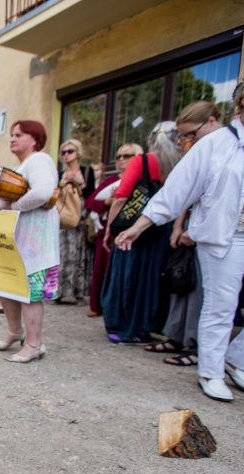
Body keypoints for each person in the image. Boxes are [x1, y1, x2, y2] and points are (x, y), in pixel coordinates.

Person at [116, 64, 244, 402]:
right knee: (220, 304)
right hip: (227, 235)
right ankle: (211, 372)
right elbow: (177, 191)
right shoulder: (214, 144)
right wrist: (137, 226)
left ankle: (239, 358)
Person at [147, 101, 223, 367]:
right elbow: (186, 195)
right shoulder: (199, 151)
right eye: (185, 135)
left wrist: (195, 230)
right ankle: (176, 335)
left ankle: (196, 344)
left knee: (202, 293)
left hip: (213, 232)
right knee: (180, 282)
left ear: (213, 121)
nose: (188, 140)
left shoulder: (228, 149)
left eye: (192, 133)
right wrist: (180, 227)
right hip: (191, 226)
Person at [0, 120, 59, 363]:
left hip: (35, 243)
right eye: (11, 134)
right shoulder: (23, 165)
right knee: (8, 286)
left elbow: (43, 192)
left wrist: (13, 205)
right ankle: (15, 331)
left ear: (34, 139)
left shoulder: (39, 160)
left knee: (29, 293)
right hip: (18, 240)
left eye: (19, 135)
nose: (12, 139)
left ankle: (34, 344)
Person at [102, 121, 181, 344]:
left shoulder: (143, 161)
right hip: (160, 229)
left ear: (150, 141)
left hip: (132, 228)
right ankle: (145, 325)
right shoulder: (179, 164)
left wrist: (110, 229)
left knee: (126, 277)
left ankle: (124, 326)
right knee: (151, 278)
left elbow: (120, 198)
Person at [86, 144, 141, 317]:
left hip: (132, 229)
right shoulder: (110, 181)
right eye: (119, 156)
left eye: (127, 156)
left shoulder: (142, 179)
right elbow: (91, 201)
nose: (121, 160)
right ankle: (97, 305)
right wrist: (107, 202)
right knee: (102, 269)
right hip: (107, 230)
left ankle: (120, 310)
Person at [56, 139, 96, 304]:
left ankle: (79, 293)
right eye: (63, 152)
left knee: (80, 253)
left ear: (78, 152)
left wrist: (79, 183)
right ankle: (59, 292)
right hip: (64, 216)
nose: (66, 155)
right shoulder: (60, 174)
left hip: (80, 215)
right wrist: (63, 183)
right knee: (62, 253)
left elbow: (92, 194)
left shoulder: (87, 171)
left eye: (70, 151)